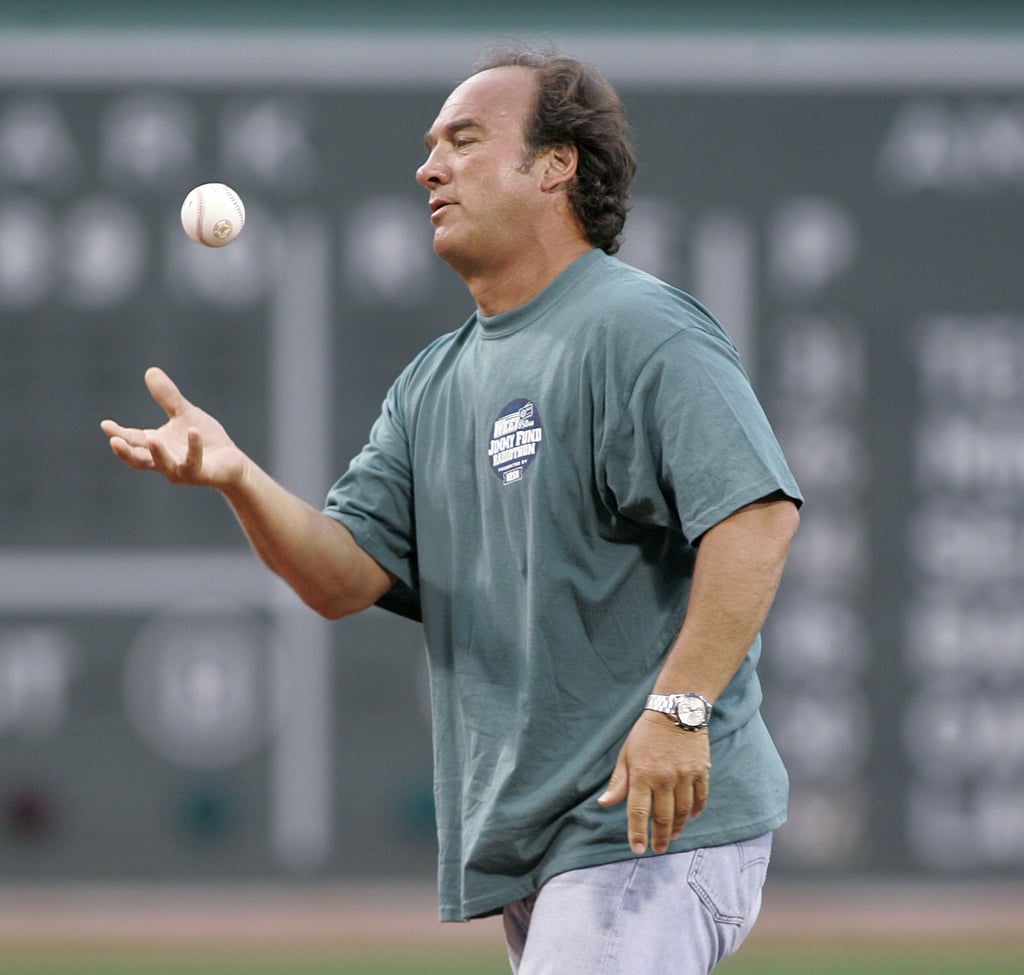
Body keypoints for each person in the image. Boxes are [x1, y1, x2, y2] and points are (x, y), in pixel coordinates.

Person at [102, 45, 801, 975]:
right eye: (431, 146)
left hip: (643, 830)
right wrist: (238, 477)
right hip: (552, 850)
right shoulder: (435, 382)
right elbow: (339, 574)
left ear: (557, 166)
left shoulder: (639, 327)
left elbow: (756, 515)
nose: (429, 167)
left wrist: (679, 709)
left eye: (464, 140)